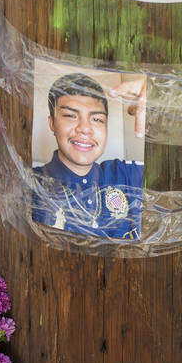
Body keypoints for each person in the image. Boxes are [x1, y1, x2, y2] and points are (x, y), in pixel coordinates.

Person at [32, 72, 144, 239]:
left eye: (97, 119)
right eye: (70, 115)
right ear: (52, 124)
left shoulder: (126, 175)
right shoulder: (31, 186)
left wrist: (161, 92)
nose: (85, 128)